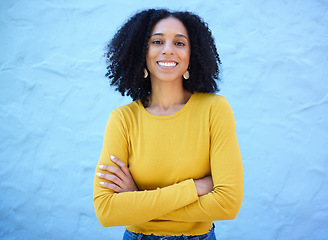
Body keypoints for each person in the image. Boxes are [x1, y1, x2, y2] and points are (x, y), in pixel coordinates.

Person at [93, 9, 243, 240]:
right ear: (141, 51)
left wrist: (138, 201)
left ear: (193, 54)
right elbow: (106, 210)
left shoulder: (215, 109)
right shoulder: (122, 119)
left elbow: (228, 204)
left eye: (180, 43)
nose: (168, 49)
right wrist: (195, 187)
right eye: (157, 41)